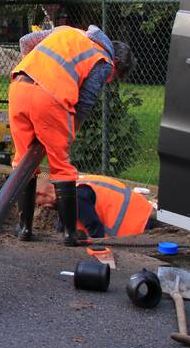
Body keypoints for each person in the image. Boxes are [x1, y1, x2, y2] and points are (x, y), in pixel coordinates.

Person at [8, 24, 133, 246]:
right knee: (61, 165)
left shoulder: (67, 31)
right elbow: (86, 100)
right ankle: (69, 234)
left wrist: (38, 72)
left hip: (19, 86)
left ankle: (24, 228)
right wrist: (68, 130)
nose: (110, 80)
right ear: (118, 63)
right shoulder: (104, 59)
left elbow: (26, 41)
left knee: (22, 161)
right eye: (114, 76)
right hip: (50, 97)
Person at [34, 174, 156, 240]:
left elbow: (94, 227)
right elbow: (64, 225)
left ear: (42, 193)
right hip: (140, 211)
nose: (43, 207)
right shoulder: (66, 190)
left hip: (138, 221)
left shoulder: (76, 195)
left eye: (40, 203)